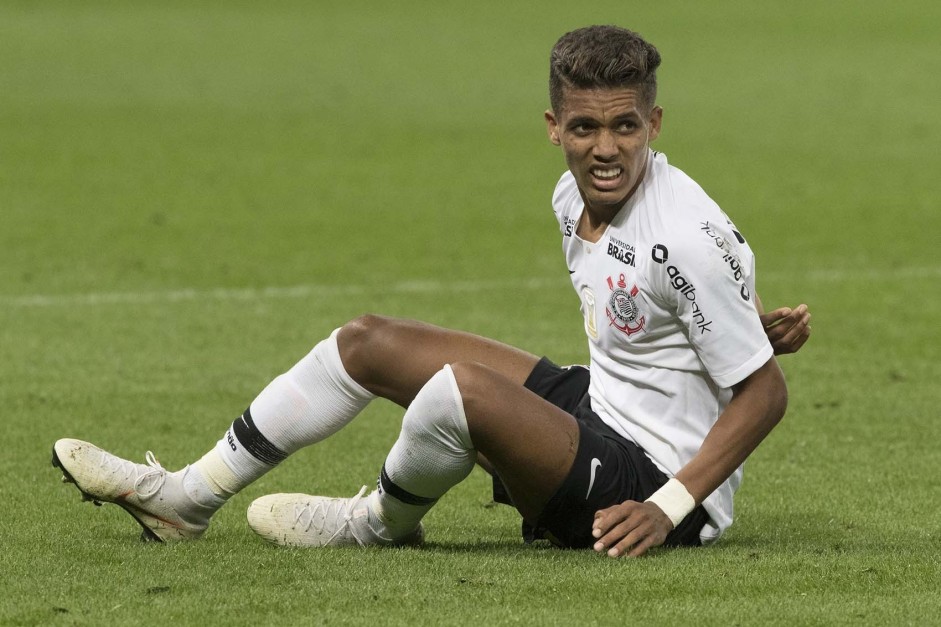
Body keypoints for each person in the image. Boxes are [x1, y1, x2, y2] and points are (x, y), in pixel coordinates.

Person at [53, 25, 811, 558]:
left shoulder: (679, 232)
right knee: (368, 341)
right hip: (599, 407)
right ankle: (184, 499)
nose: (605, 149)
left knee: (460, 393)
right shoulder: (566, 196)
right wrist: (742, 321)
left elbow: (764, 394)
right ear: (553, 126)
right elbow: (667, 312)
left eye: (624, 127)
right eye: (584, 127)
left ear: (653, 121)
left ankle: (374, 524)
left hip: (649, 480)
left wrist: (666, 506)